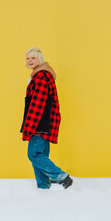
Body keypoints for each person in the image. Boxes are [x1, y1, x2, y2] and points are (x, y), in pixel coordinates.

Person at [21, 47, 73, 189]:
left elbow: (37, 104)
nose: (30, 60)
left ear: (40, 59)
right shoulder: (40, 75)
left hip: (41, 122)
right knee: (40, 155)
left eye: (33, 58)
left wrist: (29, 126)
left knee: (34, 154)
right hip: (44, 121)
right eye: (28, 58)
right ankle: (43, 185)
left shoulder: (41, 76)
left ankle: (61, 176)